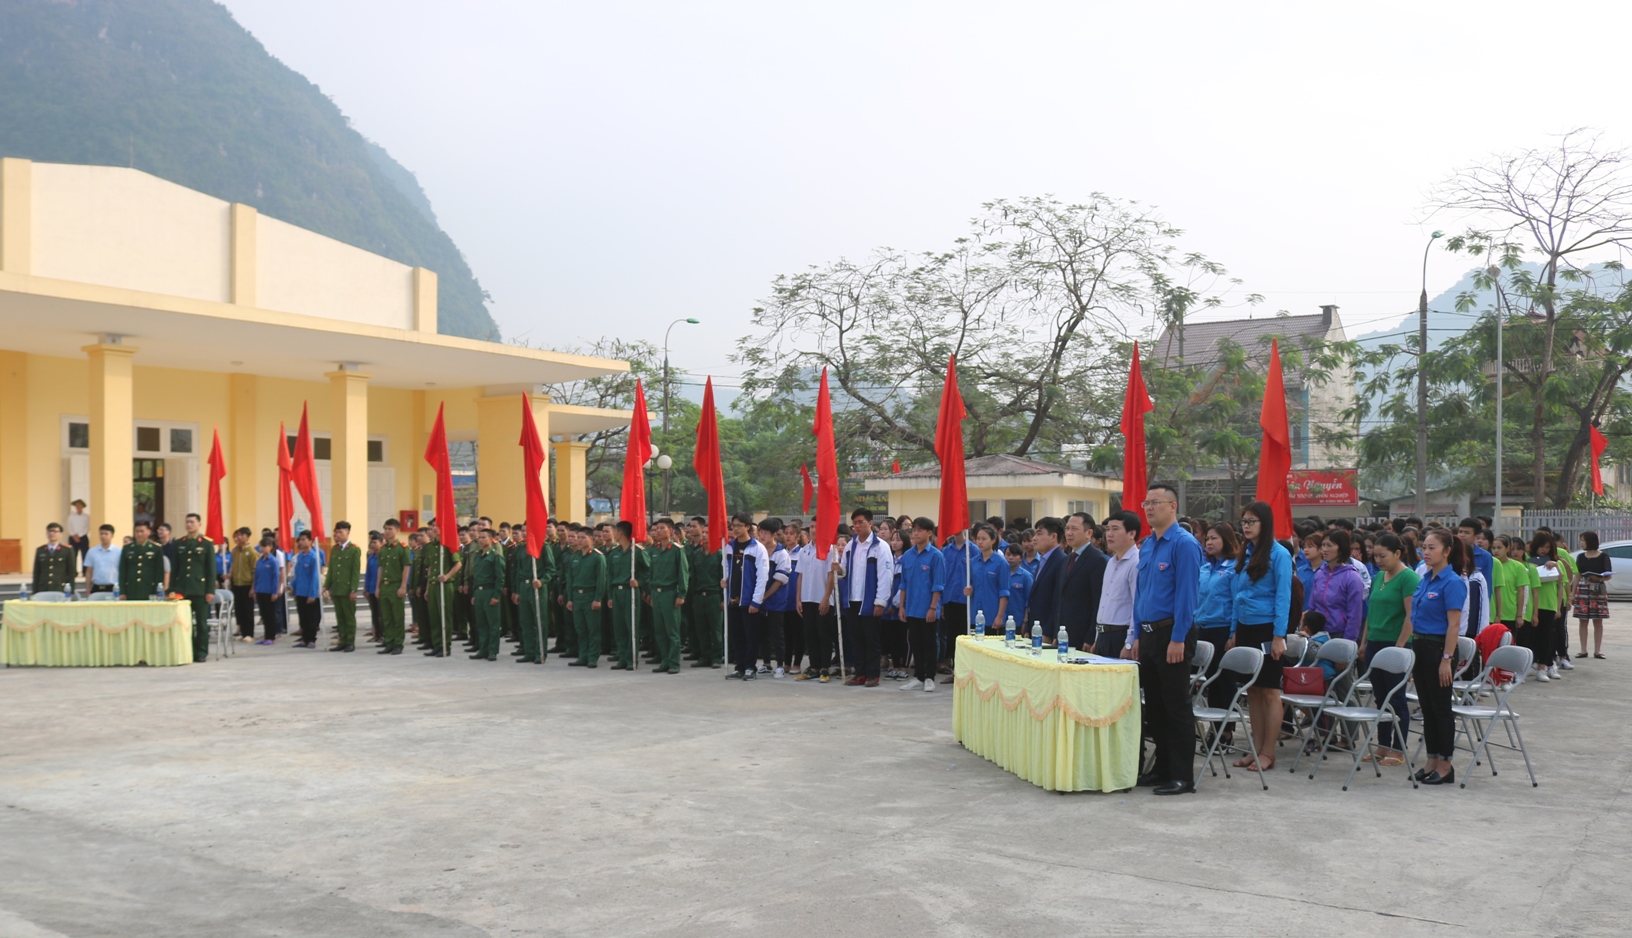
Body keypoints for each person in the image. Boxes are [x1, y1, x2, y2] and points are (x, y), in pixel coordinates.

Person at [1123, 484, 1202, 796]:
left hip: (1173, 633)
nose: (1149, 508)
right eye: (1146, 503)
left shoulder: (1184, 544)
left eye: (1155, 502)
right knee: (1154, 706)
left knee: (1176, 706)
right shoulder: (1148, 545)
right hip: (1149, 633)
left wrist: (1178, 638)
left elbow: (1187, 595)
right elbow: (1141, 594)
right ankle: (1162, 769)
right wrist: (1137, 635)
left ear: (1173, 506)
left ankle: (1182, 776)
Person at [1227, 500, 1293, 773]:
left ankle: (1268, 752)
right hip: (1245, 627)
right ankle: (1255, 750)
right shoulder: (1246, 552)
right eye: (1244, 521)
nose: (1246, 526)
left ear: (1265, 524)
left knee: (1269, 691)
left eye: (1251, 521)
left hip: (1267, 628)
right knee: (1252, 690)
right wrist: (1233, 631)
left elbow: (1283, 597)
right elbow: (1238, 595)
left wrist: (1279, 636)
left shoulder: (1279, 554)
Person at [1411, 529, 1468, 786]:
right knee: (1427, 708)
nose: (1426, 552)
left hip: (1438, 650)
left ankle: (1446, 765)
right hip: (1420, 647)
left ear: (1446, 551)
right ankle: (1431, 760)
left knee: (1441, 709)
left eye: (1432, 547)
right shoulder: (1425, 578)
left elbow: (1453, 625)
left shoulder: (1452, 582)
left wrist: (1447, 659)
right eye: (1424, 547)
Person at [1364, 533, 1418, 766]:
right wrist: (1364, 642)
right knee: (1380, 698)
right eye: (1375, 556)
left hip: (1395, 644)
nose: (1378, 560)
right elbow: (1371, 613)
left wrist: (1400, 647)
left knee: (1396, 698)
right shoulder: (1378, 577)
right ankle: (1383, 745)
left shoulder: (1409, 578)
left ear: (1397, 553)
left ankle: (1398, 749)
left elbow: (1410, 616)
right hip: (1375, 642)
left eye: (1382, 556)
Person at [838, 508, 893, 688]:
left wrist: (880, 601)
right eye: (854, 523)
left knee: (871, 639)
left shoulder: (880, 547)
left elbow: (885, 575)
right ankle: (860, 673)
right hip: (852, 599)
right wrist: (839, 570)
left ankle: (873, 674)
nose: (857, 526)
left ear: (870, 523)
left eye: (861, 522)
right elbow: (844, 570)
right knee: (856, 639)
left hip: (869, 600)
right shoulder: (850, 545)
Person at [1194, 521, 1237, 725]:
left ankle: (1226, 730)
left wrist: (1234, 633)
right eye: (1207, 538)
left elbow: (1237, 601)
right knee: (1210, 680)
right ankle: (1215, 728)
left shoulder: (1234, 568)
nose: (1209, 542)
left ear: (1226, 540)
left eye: (1214, 538)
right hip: (1202, 628)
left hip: (1222, 629)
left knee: (1224, 681)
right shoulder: (1204, 568)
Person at [897, 517, 947, 692]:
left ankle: (929, 677)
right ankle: (918, 676)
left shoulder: (936, 556)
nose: (915, 533)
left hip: (928, 609)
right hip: (912, 608)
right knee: (915, 642)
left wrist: (933, 608)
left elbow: (938, 585)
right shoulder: (908, 556)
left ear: (929, 533)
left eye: (920, 530)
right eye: (914, 530)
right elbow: (903, 583)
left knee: (929, 643)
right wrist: (901, 606)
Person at [723, 514, 767, 680]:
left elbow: (762, 576)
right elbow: (726, 568)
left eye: (739, 525)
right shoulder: (729, 547)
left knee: (751, 636)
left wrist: (756, 601)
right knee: (737, 636)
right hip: (733, 599)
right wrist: (724, 580)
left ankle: (750, 667)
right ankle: (739, 666)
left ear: (747, 527)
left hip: (749, 600)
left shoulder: (757, 548)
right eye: (733, 525)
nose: (735, 529)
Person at [1055, 511, 1108, 652]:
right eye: (1067, 529)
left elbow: (1097, 602)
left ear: (1089, 533)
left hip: (1083, 634)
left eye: (1074, 529)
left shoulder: (1097, 560)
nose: (1069, 533)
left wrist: (1091, 637)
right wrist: (1056, 632)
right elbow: (1061, 599)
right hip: (1064, 634)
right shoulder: (1067, 559)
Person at [792, 520, 837, 681]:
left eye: (817, 527)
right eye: (811, 527)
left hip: (822, 598)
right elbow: (800, 576)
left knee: (824, 634)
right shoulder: (804, 551)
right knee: (810, 634)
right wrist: (798, 599)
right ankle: (814, 667)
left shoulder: (830, 549)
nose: (813, 530)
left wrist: (826, 598)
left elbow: (831, 576)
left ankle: (824, 668)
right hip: (807, 598)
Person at [169, 513, 216, 663]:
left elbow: (211, 569)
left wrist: (210, 590)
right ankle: (187, 650)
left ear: (199, 524)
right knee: (184, 623)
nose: (189, 525)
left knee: (201, 624)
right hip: (182, 589)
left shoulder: (206, 543)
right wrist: (172, 588)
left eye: (192, 522)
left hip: (200, 589)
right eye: (187, 522)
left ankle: (201, 652)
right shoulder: (179, 543)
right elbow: (175, 568)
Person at [643, 518, 688, 674]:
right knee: (660, 630)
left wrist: (681, 594)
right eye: (657, 528)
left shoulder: (677, 550)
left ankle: (674, 662)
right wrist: (650, 592)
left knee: (672, 631)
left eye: (662, 528)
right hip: (656, 594)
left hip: (670, 593)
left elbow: (683, 573)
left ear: (670, 531)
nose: (658, 531)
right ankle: (665, 660)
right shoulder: (654, 551)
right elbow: (651, 573)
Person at [1093, 511, 1139, 658]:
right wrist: (1097, 638)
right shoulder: (1111, 563)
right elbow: (1104, 602)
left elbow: (1137, 605)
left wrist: (1129, 643)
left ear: (1131, 534)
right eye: (1107, 529)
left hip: (1121, 635)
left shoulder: (1136, 563)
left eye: (1115, 529)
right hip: (1103, 635)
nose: (1109, 534)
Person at [1308, 529, 1366, 644]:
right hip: (1318, 633)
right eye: (1323, 545)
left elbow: (1354, 615)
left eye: (1329, 545)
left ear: (1341, 548)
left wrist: (1347, 643)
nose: (1324, 549)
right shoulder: (1320, 574)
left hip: (1339, 634)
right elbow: (1312, 606)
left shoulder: (1352, 577)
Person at [688, 517, 725, 670]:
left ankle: (716, 657)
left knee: (715, 629)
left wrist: (722, 599)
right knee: (701, 629)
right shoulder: (696, 554)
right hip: (699, 595)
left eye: (707, 533)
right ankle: (704, 656)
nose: (704, 535)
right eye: (703, 532)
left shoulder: (720, 554)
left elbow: (723, 577)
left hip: (714, 595)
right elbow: (693, 577)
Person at [1528, 531, 1566, 681]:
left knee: (1547, 637)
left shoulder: (1555, 562)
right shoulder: (1528, 561)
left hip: (1549, 605)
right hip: (1532, 605)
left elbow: (1561, 584)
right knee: (1532, 637)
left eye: (1548, 547)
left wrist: (1558, 607)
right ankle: (1533, 664)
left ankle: (1544, 667)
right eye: (1541, 547)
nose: (1544, 550)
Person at [465, 526, 506, 661]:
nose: (481, 540)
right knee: (481, 624)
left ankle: (492, 650)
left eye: (484, 538)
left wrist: (496, 595)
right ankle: (483, 649)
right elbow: (476, 577)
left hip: (490, 591)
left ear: (491, 539)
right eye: (479, 538)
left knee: (493, 624)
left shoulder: (495, 556)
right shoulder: (477, 556)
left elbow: (500, 577)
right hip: (479, 592)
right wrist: (474, 594)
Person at [963, 522, 1010, 636]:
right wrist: (968, 590)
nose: (980, 542)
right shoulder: (973, 562)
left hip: (992, 615)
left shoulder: (1001, 563)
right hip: (975, 614)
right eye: (978, 538)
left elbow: (1004, 592)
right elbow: (971, 583)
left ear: (993, 540)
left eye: (984, 539)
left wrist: (999, 616)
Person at [322, 522, 362, 653]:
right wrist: (326, 585)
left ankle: (350, 642)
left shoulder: (354, 549)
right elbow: (332, 570)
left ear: (347, 533)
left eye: (341, 532)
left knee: (349, 617)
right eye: (336, 532)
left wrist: (353, 589)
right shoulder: (335, 549)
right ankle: (342, 640)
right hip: (337, 589)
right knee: (340, 617)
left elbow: (355, 572)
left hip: (347, 589)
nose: (337, 535)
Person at [1572, 531, 1610, 660]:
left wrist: (1598, 578)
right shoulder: (1580, 557)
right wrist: (1572, 593)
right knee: (1583, 620)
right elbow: (1577, 575)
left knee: (1598, 620)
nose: (1581, 543)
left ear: (1590, 541)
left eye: (1583, 540)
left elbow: (1608, 575)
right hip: (1583, 589)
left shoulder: (1603, 556)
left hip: (1597, 590)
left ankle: (1597, 650)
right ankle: (1583, 649)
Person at [1026, 517, 1067, 634]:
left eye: (1039, 534)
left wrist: (1048, 632)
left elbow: (1058, 602)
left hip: (1047, 630)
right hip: (1036, 626)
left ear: (1053, 537)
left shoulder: (1061, 561)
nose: (1034, 538)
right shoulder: (1043, 559)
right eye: (1034, 534)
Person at [290, 531, 325, 649]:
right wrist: (292, 586)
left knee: (311, 617)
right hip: (300, 591)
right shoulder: (299, 557)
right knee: (303, 617)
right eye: (300, 540)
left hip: (310, 592)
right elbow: (298, 575)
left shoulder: (314, 557)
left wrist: (312, 594)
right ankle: (304, 639)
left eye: (304, 539)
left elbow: (315, 577)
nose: (301, 542)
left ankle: (311, 639)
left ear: (311, 541)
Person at [118, 520, 165, 602]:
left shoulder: (156, 549)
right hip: (131, 589)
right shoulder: (127, 549)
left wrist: (157, 591)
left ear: (148, 532)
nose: (139, 534)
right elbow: (122, 571)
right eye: (137, 531)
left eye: (142, 531)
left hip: (149, 589)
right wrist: (122, 592)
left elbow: (159, 572)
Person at [251, 537, 286, 644]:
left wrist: (275, 591)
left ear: (270, 547)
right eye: (261, 546)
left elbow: (276, 577)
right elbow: (256, 576)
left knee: (270, 615)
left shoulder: (273, 561)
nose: (262, 548)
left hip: (269, 591)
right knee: (264, 614)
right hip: (260, 590)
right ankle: (266, 636)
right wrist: (255, 590)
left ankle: (271, 636)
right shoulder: (259, 561)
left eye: (264, 546)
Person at [31, 522, 76, 595]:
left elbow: (71, 572)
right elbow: (36, 573)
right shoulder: (40, 550)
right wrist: (34, 591)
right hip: (43, 588)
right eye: (50, 531)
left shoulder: (67, 550)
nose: (52, 533)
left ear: (61, 534)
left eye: (55, 531)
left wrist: (71, 591)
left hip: (60, 588)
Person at [83, 523, 122, 596]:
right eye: (101, 534)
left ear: (112, 535)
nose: (103, 536)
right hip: (96, 587)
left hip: (113, 588)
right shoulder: (92, 551)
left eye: (106, 534)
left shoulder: (119, 552)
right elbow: (88, 572)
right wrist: (87, 589)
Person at [1004, 542, 1034, 632]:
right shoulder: (1000, 574)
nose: (1010, 558)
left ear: (1021, 558)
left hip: (1018, 620)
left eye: (1014, 555)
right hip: (1001, 620)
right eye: (1008, 554)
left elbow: (1029, 601)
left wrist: (1025, 621)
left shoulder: (1026, 576)